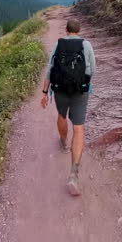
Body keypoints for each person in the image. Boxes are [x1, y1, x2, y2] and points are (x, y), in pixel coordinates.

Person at [40, 19, 96, 196]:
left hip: (60, 90)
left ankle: (63, 141)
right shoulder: (86, 45)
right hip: (80, 92)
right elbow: (92, 69)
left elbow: (50, 69)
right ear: (79, 30)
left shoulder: (59, 45)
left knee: (61, 116)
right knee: (78, 129)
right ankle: (73, 175)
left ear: (66, 30)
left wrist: (44, 92)